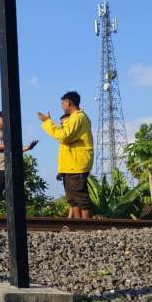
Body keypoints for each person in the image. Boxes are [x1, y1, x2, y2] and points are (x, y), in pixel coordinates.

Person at [38, 91, 94, 219]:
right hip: (70, 164)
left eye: (62, 103)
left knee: (80, 196)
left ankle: (86, 225)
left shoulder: (78, 118)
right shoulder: (74, 118)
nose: (62, 106)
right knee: (72, 198)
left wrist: (47, 122)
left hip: (77, 163)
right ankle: (76, 224)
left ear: (68, 103)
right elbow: (64, 135)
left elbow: (63, 136)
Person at [0, 111, 38, 229]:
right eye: (4, 119)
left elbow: (15, 148)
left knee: (14, 195)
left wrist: (27, 148)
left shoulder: (9, 134)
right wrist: (8, 145)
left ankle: (14, 221)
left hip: (10, 168)